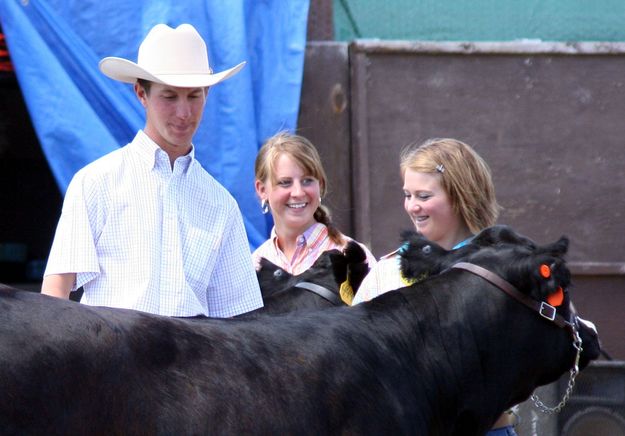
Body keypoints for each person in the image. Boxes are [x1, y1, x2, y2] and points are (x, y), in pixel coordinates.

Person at [41, 23, 263, 318]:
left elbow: (239, 320)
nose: (184, 113)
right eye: (169, 96)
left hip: (194, 362)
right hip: (110, 362)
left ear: (207, 94)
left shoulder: (221, 205)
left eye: (194, 95)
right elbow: (56, 292)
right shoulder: (95, 182)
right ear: (140, 94)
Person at [352, 138, 518, 435]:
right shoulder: (388, 272)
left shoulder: (501, 270)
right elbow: (354, 351)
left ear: (460, 195)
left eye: (424, 196)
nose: (413, 206)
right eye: (407, 195)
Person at [252, 132, 376, 291]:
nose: (298, 192)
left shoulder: (352, 258)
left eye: (307, 181)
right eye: (285, 183)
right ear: (262, 190)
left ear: (321, 185)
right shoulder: (254, 265)